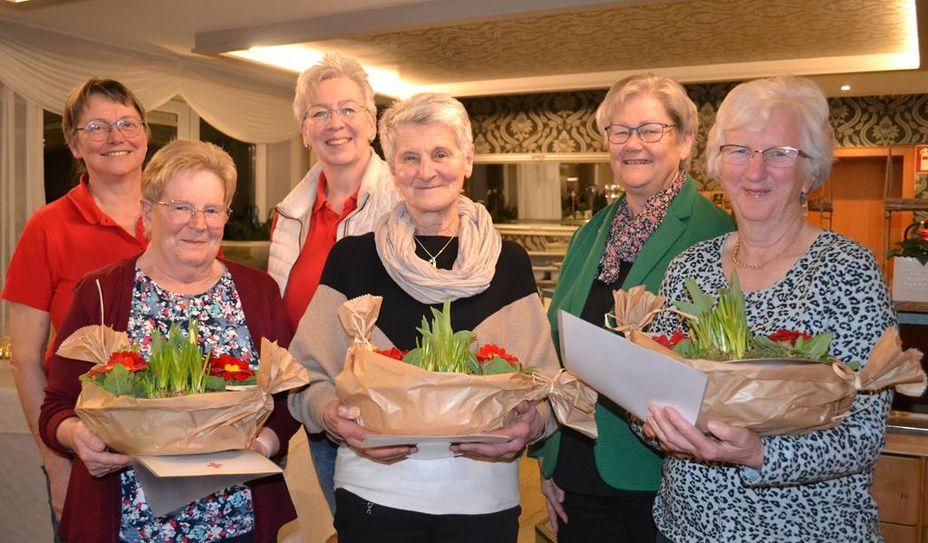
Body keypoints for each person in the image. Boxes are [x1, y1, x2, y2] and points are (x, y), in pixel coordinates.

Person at [287, 92, 560, 543]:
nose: (426, 170)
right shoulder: (353, 260)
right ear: (393, 170)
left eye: (441, 154)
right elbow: (304, 377)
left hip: (483, 504)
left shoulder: (508, 264)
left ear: (468, 160)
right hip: (374, 499)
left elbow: (547, 385)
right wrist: (329, 413)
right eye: (409, 157)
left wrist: (533, 423)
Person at [644, 76, 896, 542]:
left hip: (806, 532)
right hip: (685, 528)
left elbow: (865, 432)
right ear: (719, 163)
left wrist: (760, 454)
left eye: (779, 153)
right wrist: (655, 425)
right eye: (739, 150)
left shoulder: (848, 271)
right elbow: (647, 384)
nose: (755, 171)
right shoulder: (689, 267)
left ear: (810, 171)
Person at [39, 140, 298, 543]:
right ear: (147, 212)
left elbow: (289, 397)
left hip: (234, 523)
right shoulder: (101, 292)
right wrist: (78, 437)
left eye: (212, 209)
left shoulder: (259, 292)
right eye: (181, 207)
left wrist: (262, 445)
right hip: (128, 527)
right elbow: (56, 406)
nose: (199, 223)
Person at [534, 74, 733, 542]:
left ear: (685, 141)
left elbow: (721, 368)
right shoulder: (592, 233)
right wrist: (548, 459)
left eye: (650, 130)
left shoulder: (717, 233)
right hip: (577, 470)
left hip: (660, 478)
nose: (633, 144)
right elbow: (554, 348)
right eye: (620, 131)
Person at [1, 78, 150, 528]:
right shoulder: (48, 227)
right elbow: (26, 360)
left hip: (173, 445)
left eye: (127, 123)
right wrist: (56, 465)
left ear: (145, 134)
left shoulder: (176, 217)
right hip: (84, 449)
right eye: (96, 127)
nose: (116, 137)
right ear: (73, 144)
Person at [267, 53, 400, 513]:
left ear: (372, 123)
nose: (335, 123)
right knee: (350, 522)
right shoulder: (289, 214)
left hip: (385, 403)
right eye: (319, 113)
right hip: (317, 399)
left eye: (348, 109)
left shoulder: (404, 206)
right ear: (304, 131)